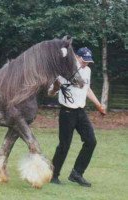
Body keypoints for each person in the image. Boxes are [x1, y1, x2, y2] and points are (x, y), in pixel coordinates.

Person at [48, 47, 106, 187]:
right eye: (84, 61)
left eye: (88, 61)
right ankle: (53, 175)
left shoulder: (87, 71)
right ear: (77, 57)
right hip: (67, 113)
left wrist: (99, 105)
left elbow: (87, 89)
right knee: (64, 145)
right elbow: (51, 92)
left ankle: (77, 173)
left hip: (81, 112)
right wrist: (56, 87)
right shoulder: (64, 70)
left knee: (91, 141)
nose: (86, 64)